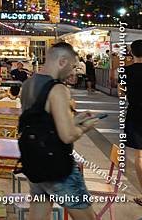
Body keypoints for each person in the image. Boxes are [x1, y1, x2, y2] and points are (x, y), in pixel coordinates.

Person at [21, 42, 99, 219]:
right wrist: (85, 127)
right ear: (62, 61)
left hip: (33, 162)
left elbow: (42, 122)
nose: (72, 73)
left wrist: (76, 119)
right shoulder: (58, 89)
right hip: (56, 165)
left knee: (38, 215)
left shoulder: (28, 84)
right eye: (72, 67)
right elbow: (66, 135)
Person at [124, 40, 142, 206]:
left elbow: (121, 92)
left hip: (136, 113)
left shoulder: (126, 71)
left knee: (139, 155)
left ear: (131, 53)